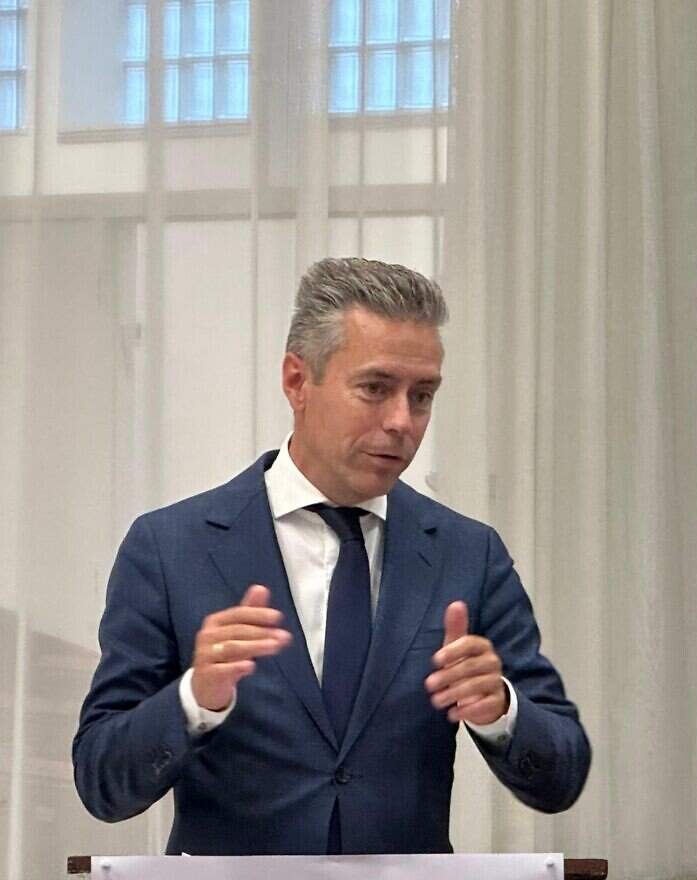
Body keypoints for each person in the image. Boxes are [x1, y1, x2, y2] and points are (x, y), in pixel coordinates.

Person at [72, 257, 590, 854]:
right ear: (297, 381)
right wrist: (194, 698)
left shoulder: (468, 555)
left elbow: (562, 776)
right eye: (375, 389)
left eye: (422, 396)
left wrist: (500, 709)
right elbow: (101, 783)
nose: (402, 421)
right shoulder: (170, 548)